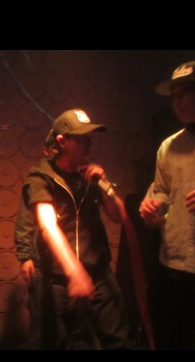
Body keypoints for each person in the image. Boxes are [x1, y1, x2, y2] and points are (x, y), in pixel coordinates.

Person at [23, 108, 130, 349]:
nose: (89, 143)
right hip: (60, 278)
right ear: (62, 141)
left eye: (90, 137)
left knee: (119, 341)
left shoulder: (90, 174)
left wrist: (105, 185)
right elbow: (48, 225)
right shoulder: (42, 175)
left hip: (99, 273)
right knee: (58, 342)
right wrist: (75, 272)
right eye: (82, 138)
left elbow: (119, 217)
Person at [139, 61, 195, 349]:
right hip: (172, 264)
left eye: (185, 93)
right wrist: (152, 206)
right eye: (174, 97)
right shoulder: (168, 146)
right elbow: (161, 193)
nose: (177, 102)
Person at [15, 131, 57, 349]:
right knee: (38, 319)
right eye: (54, 148)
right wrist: (25, 257)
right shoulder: (38, 179)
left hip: (67, 262)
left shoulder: (73, 177)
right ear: (47, 151)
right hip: (40, 261)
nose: (59, 152)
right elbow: (25, 219)